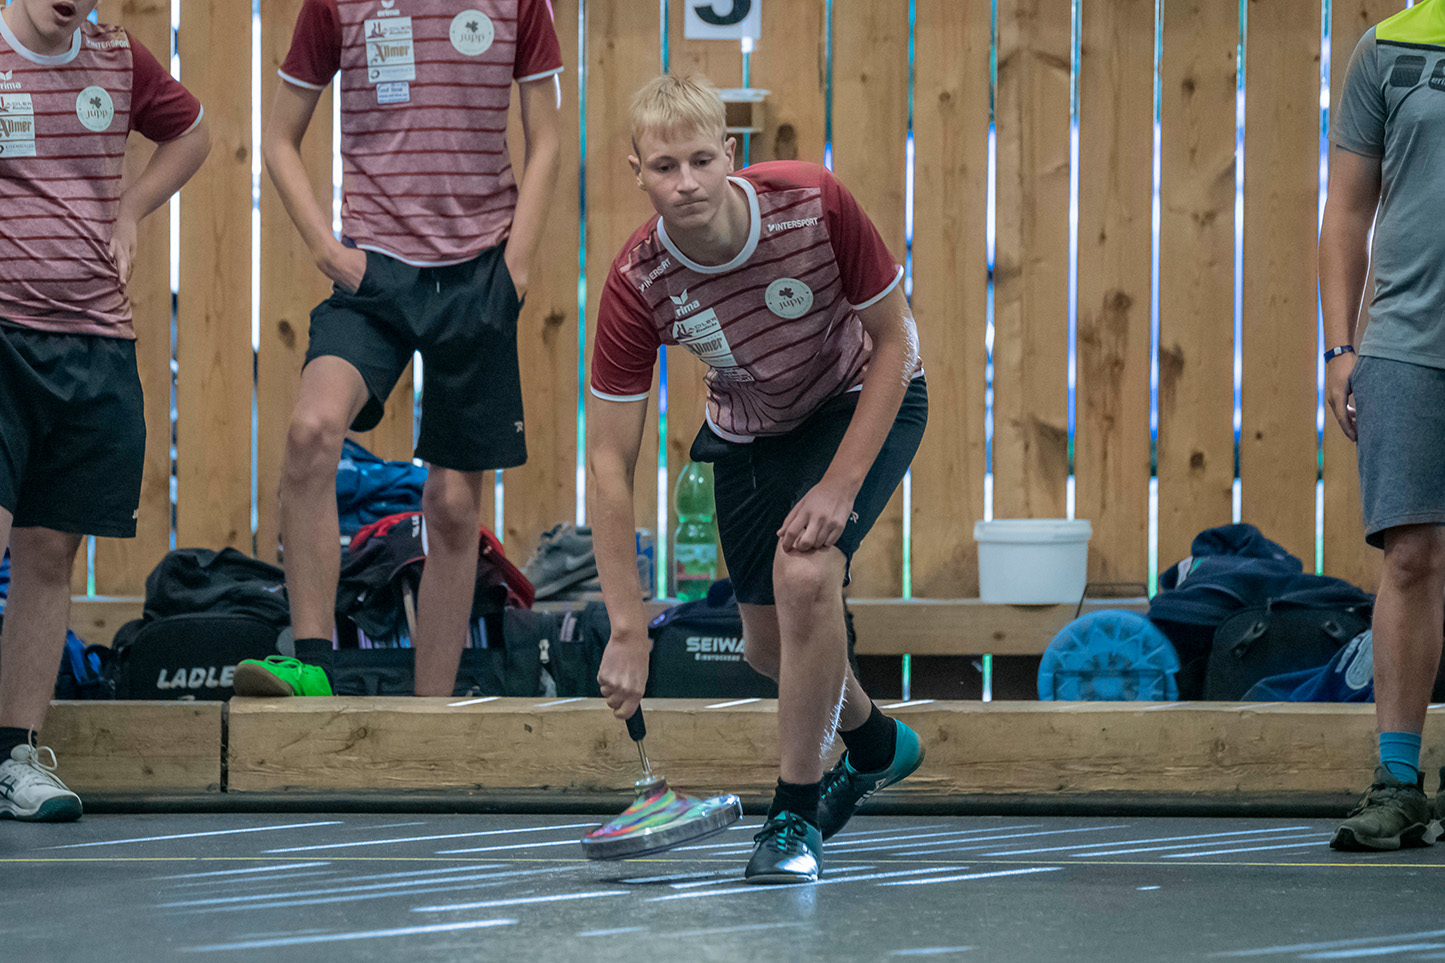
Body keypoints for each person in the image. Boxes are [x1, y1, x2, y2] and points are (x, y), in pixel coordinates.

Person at [589, 74, 929, 883]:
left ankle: (792, 819)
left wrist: (840, 485)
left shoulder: (813, 204)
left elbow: (896, 340)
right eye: (664, 166)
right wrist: (627, 627)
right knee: (772, 648)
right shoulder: (638, 281)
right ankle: (879, 744)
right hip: (746, 431)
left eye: (701, 160)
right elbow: (608, 461)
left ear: (730, 155)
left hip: (859, 397)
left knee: (807, 572)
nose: (686, 183)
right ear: (636, 171)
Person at [260, 0, 562, 696]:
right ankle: (310, 667)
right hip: (374, 271)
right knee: (310, 433)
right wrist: (325, 249)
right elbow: (278, 136)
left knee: (454, 503)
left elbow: (545, 136)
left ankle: (430, 713)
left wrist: (513, 268)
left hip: (478, 275)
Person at [0, 0, 209, 820]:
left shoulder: (118, 59)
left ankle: (14, 753)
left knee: (49, 550)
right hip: (2, 333)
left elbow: (192, 133)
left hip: (92, 340)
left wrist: (129, 208)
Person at [1321, 0, 1445, 851]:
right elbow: (1345, 209)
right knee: (1409, 554)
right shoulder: (1390, 46)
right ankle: (1397, 782)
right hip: (1406, 339)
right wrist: (1339, 346)